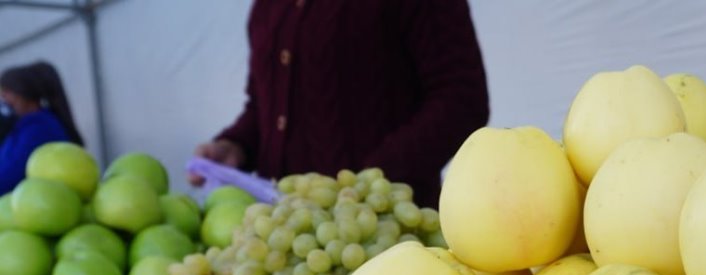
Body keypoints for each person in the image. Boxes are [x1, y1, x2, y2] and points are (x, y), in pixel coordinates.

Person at [189, 0, 490, 208]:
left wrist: (369, 182)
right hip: (285, 240)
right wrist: (236, 146)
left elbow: (462, 99)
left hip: (386, 238)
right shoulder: (269, 6)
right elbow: (265, 106)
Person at [0, 61, 84, 194]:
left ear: (23, 92)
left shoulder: (39, 130)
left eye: (6, 92)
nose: (3, 99)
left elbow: (9, 178)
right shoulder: (21, 127)